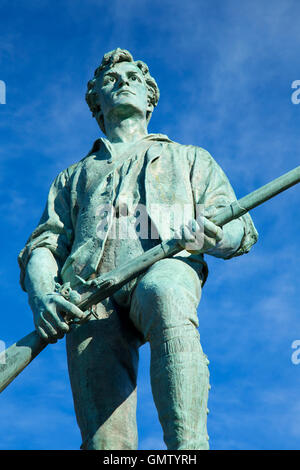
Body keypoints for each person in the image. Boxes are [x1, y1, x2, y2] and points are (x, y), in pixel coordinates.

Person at [18, 48, 258, 450]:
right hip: (88, 297)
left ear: (149, 97)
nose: (122, 82)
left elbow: (241, 229)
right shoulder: (72, 176)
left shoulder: (190, 158)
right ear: (96, 101)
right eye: (111, 80)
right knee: (105, 443)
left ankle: (189, 449)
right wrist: (43, 295)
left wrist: (211, 235)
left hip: (166, 266)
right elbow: (45, 243)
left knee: (163, 292)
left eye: (132, 77)